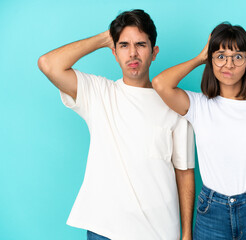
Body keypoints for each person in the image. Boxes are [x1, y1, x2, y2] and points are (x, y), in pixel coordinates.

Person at [38, 9, 195, 240]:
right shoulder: (99, 92)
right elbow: (48, 64)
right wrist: (104, 37)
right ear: (114, 52)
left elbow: (185, 173)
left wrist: (187, 234)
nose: (133, 53)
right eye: (123, 45)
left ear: (154, 53)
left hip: (159, 231)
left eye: (141, 44)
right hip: (106, 229)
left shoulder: (176, 105)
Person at [152, 23, 246, 240]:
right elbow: (160, 84)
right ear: (211, 60)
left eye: (237, 57)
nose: (229, 64)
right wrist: (200, 57)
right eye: (221, 56)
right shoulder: (198, 105)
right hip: (211, 211)